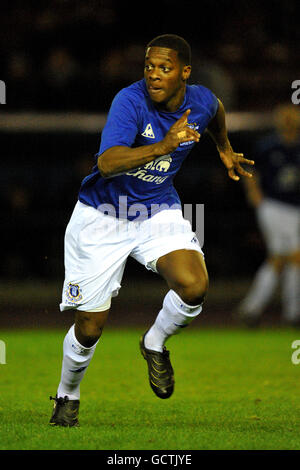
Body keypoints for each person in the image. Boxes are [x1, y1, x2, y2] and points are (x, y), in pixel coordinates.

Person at [49, 34, 254, 427]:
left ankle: (154, 342)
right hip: (102, 215)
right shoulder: (129, 101)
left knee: (194, 286)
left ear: (185, 73)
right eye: (149, 67)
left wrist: (223, 147)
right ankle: (67, 395)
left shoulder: (201, 99)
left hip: (156, 209)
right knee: (90, 327)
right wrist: (163, 146)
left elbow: (217, 110)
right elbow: (107, 163)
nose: (154, 75)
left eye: (165, 68)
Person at [237, 104, 300, 327]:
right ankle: (292, 313)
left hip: (295, 209)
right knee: (293, 257)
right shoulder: (268, 146)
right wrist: (255, 195)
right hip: (273, 206)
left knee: (280, 260)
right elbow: (251, 172)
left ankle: (251, 310)